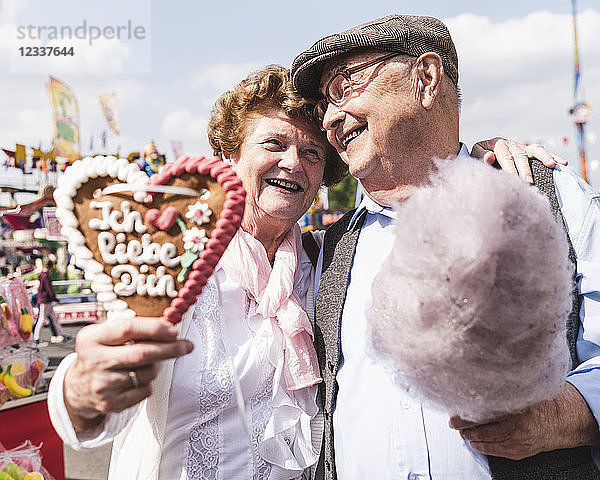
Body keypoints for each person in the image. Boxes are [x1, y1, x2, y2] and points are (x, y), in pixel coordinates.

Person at [47, 68, 554, 479]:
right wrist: (80, 392)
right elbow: (105, 381)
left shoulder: (327, 264)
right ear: (228, 155)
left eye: (312, 152)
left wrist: (479, 155)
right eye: (273, 144)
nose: (294, 162)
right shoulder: (172, 260)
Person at [290, 14, 600, 480]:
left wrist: (563, 415)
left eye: (345, 86)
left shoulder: (545, 197)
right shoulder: (324, 251)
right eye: (322, 106)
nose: (330, 119)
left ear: (426, 77)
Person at [32, 259, 70, 346]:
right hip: (46, 300)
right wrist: (55, 299)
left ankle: (62, 334)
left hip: (43, 299)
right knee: (42, 319)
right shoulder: (46, 276)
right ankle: (36, 339)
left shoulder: (41, 275)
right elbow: (49, 289)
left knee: (52, 318)